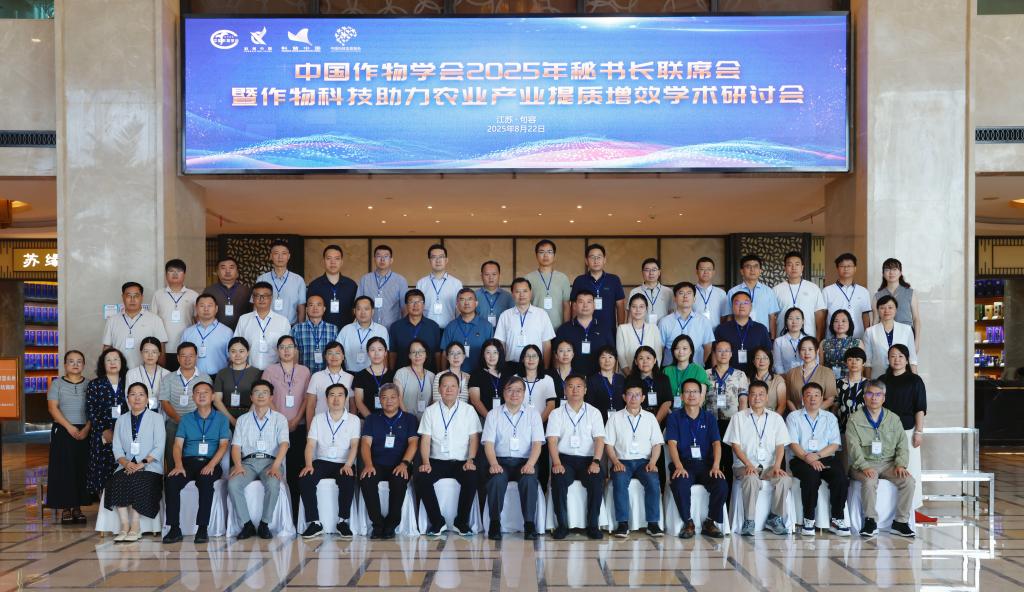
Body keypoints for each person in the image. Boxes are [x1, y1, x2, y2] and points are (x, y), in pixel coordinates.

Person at [845, 380, 916, 538]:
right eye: (870, 394)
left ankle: (901, 522)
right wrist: (864, 466)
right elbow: (853, 447)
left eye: (878, 394)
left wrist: (901, 464)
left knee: (909, 481)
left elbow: (902, 445)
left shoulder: (893, 419)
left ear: (884, 398)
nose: (874, 398)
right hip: (863, 464)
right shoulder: (855, 419)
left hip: (889, 464)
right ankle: (870, 521)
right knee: (870, 480)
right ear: (864, 396)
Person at [162, 381, 231, 544]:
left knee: (206, 481)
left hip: (210, 462)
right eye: (198, 392)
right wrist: (178, 465)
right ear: (193, 397)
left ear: (212, 396)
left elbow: (223, 445)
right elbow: (177, 445)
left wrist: (211, 465)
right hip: (187, 463)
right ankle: (174, 528)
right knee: (171, 481)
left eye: (205, 392)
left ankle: (202, 528)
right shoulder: (186, 419)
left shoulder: (221, 419)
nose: (201, 395)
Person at [415, 372, 483, 536]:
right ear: (439, 389)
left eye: (453, 386)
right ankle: (437, 522)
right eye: (445, 386)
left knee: (472, 477)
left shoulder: (468, 410)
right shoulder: (430, 411)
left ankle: (461, 522)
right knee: (421, 477)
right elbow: (425, 440)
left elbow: (474, 438)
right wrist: (425, 462)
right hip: (436, 461)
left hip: (462, 461)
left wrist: (471, 459)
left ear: (459, 389)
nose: (449, 389)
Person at [723, 380, 791, 536]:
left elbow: (780, 446)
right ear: (748, 397)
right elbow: (735, 445)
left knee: (784, 479)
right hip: (743, 466)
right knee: (751, 478)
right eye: (753, 394)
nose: (757, 398)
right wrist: (748, 464)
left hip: (769, 467)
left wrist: (777, 466)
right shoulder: (738, 417)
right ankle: (749, 520)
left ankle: (774, 518)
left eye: (761, 394)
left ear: (767, 397)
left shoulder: (776, 418)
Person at [482, 377, 544, 540]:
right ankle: (495, 523)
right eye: (510, 390)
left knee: (529, 480)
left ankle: (529, 524)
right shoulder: (493, 414)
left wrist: (530, 464)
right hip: (500, 461)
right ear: (504, 393)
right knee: (496, 479)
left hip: (525, 461)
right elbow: (488, 444)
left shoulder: (533, 414)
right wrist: (493, 463)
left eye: (518, 390)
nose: (514, 394)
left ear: (524, 393)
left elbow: (537, 443)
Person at [664, 378, 727, 539]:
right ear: (681, 396)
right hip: (684, 464)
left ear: (701, 395)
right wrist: (678, 466)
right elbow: (672, 444)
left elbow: (716, 444)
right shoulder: (674, 417)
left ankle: (710, 522)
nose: (691, 395)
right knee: (680, 483)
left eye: (695, 392)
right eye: (687, 392)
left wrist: (716, 466)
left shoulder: (709, 417)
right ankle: (688, 523)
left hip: (706, 465)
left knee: (721, 484)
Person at [228, 380, 290, 540]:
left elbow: (284, 445)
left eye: (265, 392)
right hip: (247, 463)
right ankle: (247, 525)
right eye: (257, 392)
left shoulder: (280, 419)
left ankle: (264, 524)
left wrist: (276, 466)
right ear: (251, 397)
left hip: (271, 462)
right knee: (233, 484)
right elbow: (236, 447)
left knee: (273, 483)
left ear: (271, 397)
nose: (261, 395)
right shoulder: (243, 420)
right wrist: (238, 465)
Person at [261, 335, 313, 526]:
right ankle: (279, 518)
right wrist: (282, 420)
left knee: (296, 470)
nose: (286, 350)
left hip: (298, 425)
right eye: (282, 347)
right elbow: (266, 396)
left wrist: (297, 419)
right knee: (278, 469)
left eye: (290, 347)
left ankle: (297, 515)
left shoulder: (304, 371)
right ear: (277, 350)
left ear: (296, 350)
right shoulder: (270, 370)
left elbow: (307, 398)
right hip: (276, 427)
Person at [298, 383, 361, 539]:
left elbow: (355, 445)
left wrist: (348, 464)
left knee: (347, 479)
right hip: (322, 461)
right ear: (326, 399)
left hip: (344, 462)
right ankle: (315, 522)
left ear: (346, 399)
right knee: (305, 478)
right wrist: (308, 464)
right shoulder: (318, 419)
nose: (336, 399)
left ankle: (342, 521)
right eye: (332, 395)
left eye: (340, 395)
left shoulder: (354, 420)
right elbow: (310, 445)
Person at [786, 382, 849, 537]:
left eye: (816, 395)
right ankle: (809, 519)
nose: (812, 398)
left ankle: (837, 519)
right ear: (802, 398)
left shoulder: (830, 417)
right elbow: (793, 443)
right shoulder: (794, 417)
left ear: (822, 398)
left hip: (824, 457)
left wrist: (818, 456)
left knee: (840, 477)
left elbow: (834, 444)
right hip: (801, 458)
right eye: (808, 395)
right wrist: (808, 458)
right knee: (811, 476)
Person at [547, 374, 605, 540]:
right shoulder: (556, 413)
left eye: (579, 386)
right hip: (565, 460)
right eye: (570, 386)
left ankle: (592, 525)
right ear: (565, 390)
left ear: (585, 390)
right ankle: (562, 525)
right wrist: (556, 463)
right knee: (558, 479)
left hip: (588, 460)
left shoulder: (594, 412)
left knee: (596, 480)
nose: (575, 390)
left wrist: (596, 462)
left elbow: (599, 439)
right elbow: (552, 440)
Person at [359, 383, 420, 539]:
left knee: (399, 481)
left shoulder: (409, 419)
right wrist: (368, 465)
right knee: (367, 479)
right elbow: (365, 444)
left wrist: (404, 464)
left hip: (400, 463)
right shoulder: (372, 419)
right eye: (385, 398)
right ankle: (377, 524)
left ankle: (392, 524)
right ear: (380, 400)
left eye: (393, 397)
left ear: (399, 398)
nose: (389, 401)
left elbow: (413, 443)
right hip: (376, 464)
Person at [106, 382, 165, 542]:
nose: (137, 398)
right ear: (127, 399)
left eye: (141, 394)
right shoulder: (121, 419)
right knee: (118, 480)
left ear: (147, 399)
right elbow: (116, 447)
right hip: (126, 465)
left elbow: (159, 446)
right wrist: (125, 463)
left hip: (150, 466)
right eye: (133, 394)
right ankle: (124, 526)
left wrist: (142, 463)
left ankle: (135, 526)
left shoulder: (157, 418)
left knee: (139, 480)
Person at [605, 385, 665, 538]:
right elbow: (608, 445)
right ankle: (623, 523)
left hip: (644, 462)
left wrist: (653, 462)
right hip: (622, 461)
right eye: (630, 394)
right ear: (624, 397)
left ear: (643, 398)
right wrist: (615, 462)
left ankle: (653, 524)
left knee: (653, 481)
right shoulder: (615, 418)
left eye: (637, 395)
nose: (633, 398)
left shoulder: (650, 418)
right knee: (619, 481)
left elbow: (657, 444)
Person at [879, 344, 928, 520]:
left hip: (908, 431)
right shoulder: (882, 380)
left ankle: (912, 509)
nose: (897, 359)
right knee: (890, 470)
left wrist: (919, 432)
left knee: (910, 469)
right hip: (885, 433)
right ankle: (890, 510)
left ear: (907, 360)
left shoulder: (915, 380)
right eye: (893, 356)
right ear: (888, 359)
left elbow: (920, 407)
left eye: (901, 356)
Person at [46, 350, 92, 524]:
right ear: (65, 365)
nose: (75, 364)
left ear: (84, 365)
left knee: (81, 468)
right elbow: (53, 408)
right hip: (63, 430)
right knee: (64, 470)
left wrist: (87, 428)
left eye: (79, 361)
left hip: (85, 431)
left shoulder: (90, 385)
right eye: (71, 361)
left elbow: (94, 409)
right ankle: (65, 508)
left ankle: (78, 508)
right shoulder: (57, 384)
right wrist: (69, 427)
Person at [158, 343, 212, 468]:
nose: (187, 359)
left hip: (199, 422)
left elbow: (208, 403)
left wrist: (193, 422)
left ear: (196, 357)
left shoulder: (205, 378)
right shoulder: (168, 378)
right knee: (171, 453)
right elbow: (164, 402)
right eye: (183, 356)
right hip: (174, 422)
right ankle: (172, 474)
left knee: (195, 457)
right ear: (178, 358)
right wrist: (180, 421)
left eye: (191, 356)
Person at [85, 349, 128, 500]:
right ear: (103, 364)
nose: (112, 363)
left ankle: (121, 505)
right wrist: (104, 430)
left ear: (122, 363)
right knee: (102, 470)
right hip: (102, 435)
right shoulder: (95, 384)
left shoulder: (128, 383)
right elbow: (91, 410)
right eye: (108, 360)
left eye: (116, 359)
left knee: (122, 468)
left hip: (125, 434)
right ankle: (104, 508)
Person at [102, 282, 168, 369]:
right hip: (119, 371)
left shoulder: (155, 320)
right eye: (128, 296)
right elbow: (107, 348)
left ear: (142, 297)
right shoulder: (112, 320)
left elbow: (161, 348)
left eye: (136, 296)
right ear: (123, 297)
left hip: (145, 372)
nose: (132, 299)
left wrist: (160, 372)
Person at [151, 260, 199, 372]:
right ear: (166, 274)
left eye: (179, 271)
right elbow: (152, 321)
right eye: (171, 271)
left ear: (184, 274)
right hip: (163, 348)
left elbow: (197, 321)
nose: (175, 274)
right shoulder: (158, 294)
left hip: (186, 348)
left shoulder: (193, 295)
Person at [495, 277, 555, 366]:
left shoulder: (542, 314)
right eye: (517, 291)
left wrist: (545, 368)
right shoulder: (505, 316)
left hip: (535, 366)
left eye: (525, 291)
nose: (521, 295)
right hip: (511, 365)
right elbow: (501, 344)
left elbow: (546, 345)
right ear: (512, 294)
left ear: (530, 292)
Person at [555, 289, 615, 377]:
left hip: (599, 379)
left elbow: (612, 355)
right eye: (581, 302)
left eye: (589, 302)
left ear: (594, 305)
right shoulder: (564, 329)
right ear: (574, 306)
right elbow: (556, 357)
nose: (585, 305)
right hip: (571, 379)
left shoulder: (604, 329)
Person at [232, 281, 291, 369]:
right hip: (249, 370)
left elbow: (289, 349)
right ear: (253, 298)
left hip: (275, 371)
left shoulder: (283, 321)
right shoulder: (243, 319)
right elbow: (236, 344)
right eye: (257, 296)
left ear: (271, 298)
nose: (261, 299)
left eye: (265, 296)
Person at [658, 281, 715, 365]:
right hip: (670, 369)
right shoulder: (664, 322)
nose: (685, 296)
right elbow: (660, 349)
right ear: (674, 298)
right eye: (681, 293)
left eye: (689, 293)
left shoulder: (703, 321)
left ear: (694, 299)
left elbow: (708, 347)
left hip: (695, 368)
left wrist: (699, 366)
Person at [714, 291, 772, 373]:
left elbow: (768, 354)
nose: (742, 306)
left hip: (755, 376)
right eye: (737, 303)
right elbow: (714, 354)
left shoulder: (761, 329)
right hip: (728, 376)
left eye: (746, 302)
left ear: (751, 307)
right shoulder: (721, 329)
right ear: (732, 307)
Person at [571, 243, 626, 331]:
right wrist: (574, 329)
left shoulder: (614, 280)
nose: (596, 261)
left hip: (608, 330)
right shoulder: (579, 280)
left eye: (599, 257)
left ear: (604, 260)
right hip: (584, 330)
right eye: (592, 257)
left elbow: (620, 306)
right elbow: (574, 306)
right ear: (586, 261)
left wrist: (621, 330)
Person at [773, 252, 827, 338]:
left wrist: (818, 339)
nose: (793, 267)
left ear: (802, 267)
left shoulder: (813, 288)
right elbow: (772, 317)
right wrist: (773, 339)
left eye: (797, 264)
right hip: (783, 339)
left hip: (808, 339)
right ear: (785, 268)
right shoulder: (776, 290)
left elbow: (819, 316)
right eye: (790, 265)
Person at [726, 254, 781, 336]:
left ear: (760, 270)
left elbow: (772, 317)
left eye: (755, 266)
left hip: (762, 335)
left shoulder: (769, 292)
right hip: (738, 334)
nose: (752, 270)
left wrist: (772, 339)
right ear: (742, 271)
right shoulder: (732, 292)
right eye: (748, 267)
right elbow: (729, 317)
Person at [213, 337, 263, 426]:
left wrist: (245, 420)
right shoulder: (222, 373)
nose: (237, 355)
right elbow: (217, 401)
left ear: (248, 352)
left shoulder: (257, 373)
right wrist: (232, 420)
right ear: (228, 353)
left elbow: (259, 399)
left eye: (241, 351)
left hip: (250, 416)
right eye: (233, 351)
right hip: (225, 416)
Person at [306, 244, 358, 329]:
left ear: (341, 262)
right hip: (322, 332)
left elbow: (356, 310)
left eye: (337, 259)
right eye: (329, 258)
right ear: (323, 261)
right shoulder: (314, 285)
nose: (333, 262)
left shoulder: (351, 285)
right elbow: (309, 311)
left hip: (346, 332)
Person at [441, 288, 493, 373]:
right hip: (456, 375)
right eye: (462, 300)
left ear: (476, 303)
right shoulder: (450, 326)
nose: (466, 303)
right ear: (457, 304)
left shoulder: (487, 326)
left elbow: (491, 351)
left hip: (480, 374)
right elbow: (444, 353)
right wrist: (444, 374)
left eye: (470, 299)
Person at [356, 244, 409, 328]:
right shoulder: (365, 279)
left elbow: (405, 309)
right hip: (368, 329)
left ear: (391, 260)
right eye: (379, 256)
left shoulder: (400, 281)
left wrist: (402, 329)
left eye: (386, 256)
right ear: (374, 259)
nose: (382, 259)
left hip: (392, 329)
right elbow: (357, 305)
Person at [180, 293, 234, 377]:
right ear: (196, 309)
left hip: (219, 377)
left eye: (209, 306)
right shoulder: (188, 332)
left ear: (216, 309)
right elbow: (182, 357)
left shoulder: (227, 332)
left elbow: (232, 358)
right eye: (202, 306)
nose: (206, 309)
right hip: (194, 378)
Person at [864, 296, 918, 376]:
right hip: (878, 376)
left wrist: (915, 379)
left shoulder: (907, 329)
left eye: (890, 307)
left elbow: (912, 359)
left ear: (896, 309)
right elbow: (868, 361)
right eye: (882, 308)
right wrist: (868, 380)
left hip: (902, 376)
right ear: (877, 310)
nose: (887, 311)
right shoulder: (870, 332)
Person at [335, 296, 390, 375]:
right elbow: (337, 352)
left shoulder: (381, 330)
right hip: (350, 374)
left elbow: (385, 356)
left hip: (373, 374)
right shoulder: (346, 330)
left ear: (372, 311)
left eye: (366, 309)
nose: (363, 312)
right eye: (359, 309)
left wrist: (384, 375)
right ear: (354, 311)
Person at [255, 239, 306, 325]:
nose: (280, 257)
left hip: (290, 326)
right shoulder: (262, 279)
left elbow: (301, 308)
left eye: (284, 253)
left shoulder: (298, 280)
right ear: (271, 256)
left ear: (288, 256)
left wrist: (300, 328)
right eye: (276, 253)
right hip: (266, 326)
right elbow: (256, 306)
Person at [875, 258, 921, 352]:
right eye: (887, 269)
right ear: (883, 273)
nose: (891, 272)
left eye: (894, 269)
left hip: (906, 335)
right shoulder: (877, 295)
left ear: (900, 273)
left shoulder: (910, 293)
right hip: (884, 335)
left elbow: (916, 318)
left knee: (906, 361)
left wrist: (916, 342)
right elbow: (875, 320)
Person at [822, 253, 872, 340]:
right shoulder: (827, 291)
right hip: (833, 339)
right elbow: (823, 317)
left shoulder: (863, 291)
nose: (846, 269)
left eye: (849, 266)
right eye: (842, 266)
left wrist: (867, 337)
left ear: (855, 268)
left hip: (858, 338)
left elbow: (865, 316)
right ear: (837, 268)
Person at [524, 239, 572, 328]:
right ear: (536, 255)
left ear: (554, 255)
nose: (545, 255)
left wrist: (566, 328)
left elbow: (566, 305)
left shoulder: (563, 278)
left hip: (558, 328)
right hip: (535, 327)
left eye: (549, 252)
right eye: (541, 252)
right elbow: (524, 305)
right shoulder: (528, 279)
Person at [390, 289, 442, 371]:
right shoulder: (395, 327)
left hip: (429, 374)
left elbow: (437, 353)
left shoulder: (433, 326)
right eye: (411, 302)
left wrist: (439, 372)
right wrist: (391, 372)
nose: (416, 305)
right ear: (406, 305)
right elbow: (393, 353)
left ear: (423, 305)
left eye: (419, 302)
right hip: (402, 373)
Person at [415, 243, 463, 330]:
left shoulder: (456, 283)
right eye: (434, 257)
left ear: (446, 260)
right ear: (429, 260)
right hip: (426, 329)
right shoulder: (421, 283)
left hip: (450, 329)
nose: (438, 260)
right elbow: (417, 308)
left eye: (441, 257)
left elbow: (460, 309)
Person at [784, 337, 838, 412]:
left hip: (820, 415)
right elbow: (788, 399)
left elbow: (830, 399)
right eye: (803, 349)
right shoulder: (791, 372)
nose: (807, 353)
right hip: (797, 415)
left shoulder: (827, 372)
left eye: (810, 349)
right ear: (799, 352)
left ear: (817, 351)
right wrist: (798, 414)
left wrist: (812, 412)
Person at [305, 341, 354, 419]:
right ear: (325, 356)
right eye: (330, 353)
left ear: (343, 357)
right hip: (320, 423)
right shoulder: (316, 377)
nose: (334, 356)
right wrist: (310, 426)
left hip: (344, 424)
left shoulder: (350, 378)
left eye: (337, 353)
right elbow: (310, 406)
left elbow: (352, 406)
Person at [291, 294, 339, 374]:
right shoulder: (297, 329)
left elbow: (337, 353)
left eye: (319, 305)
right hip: (303, 375)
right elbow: (293, 354)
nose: (315, 308)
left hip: (327, 375)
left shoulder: (333, 329)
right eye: (311, 305)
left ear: (324, 309)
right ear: (306, 309)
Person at [625, 346, 673, 424]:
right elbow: (628, 401)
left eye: (648, 358)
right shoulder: (630, 379)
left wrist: (656, 422)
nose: (645, 361)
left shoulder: (663, 378)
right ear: (636, 362)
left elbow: (667, 402)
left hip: (661, 421)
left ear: (654, 360)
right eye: (641, 358)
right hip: (637, 421)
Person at [617, 294, 664, 372]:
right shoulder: (622, 329)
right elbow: (621, 357)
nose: (638, 310)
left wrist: (653, 375)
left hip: (651, 375)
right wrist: (630, 376)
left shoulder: (654, 328)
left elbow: (658, 355)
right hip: (629, 375)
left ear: (646, 309)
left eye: (641, 307)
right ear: (629, 308)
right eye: (634, 307)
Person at [352, 337, 397, 418]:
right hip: (367, 419)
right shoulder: (360, 375)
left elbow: (396, 400)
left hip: (389, 420)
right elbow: (359, 402)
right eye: (372, 350)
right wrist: (372, 421)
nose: (376, 353)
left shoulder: (393, 375)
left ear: (385, 353)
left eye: (380, 350)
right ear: (368, 353)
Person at [468, 339, 512, 419]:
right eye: (488, 352)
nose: (492, 356)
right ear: (483, 354)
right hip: (484, 418)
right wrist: (490, 418)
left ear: (500, 354)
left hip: (506, 418)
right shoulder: (476, 374)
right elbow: (475, 401)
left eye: (495, 352)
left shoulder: (507, 372)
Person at [204, 256, 250, 330]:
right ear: (217, 272)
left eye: (231, 267)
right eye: (223, 268)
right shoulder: (209, 291)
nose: (227, 271)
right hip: (215, 331)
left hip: (241, 331)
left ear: (237, 272)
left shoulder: (246, 291)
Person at [663, 335, 711, 404]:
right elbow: (663, 398)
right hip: (670, 410)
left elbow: (701, 399)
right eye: (677, 348)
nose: (681, 351)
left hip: (693, 410)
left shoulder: (699, 370)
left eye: (684, 348)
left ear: (691, 351)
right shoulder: (667, 371)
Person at [125, 337, 169, 412]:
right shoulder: (131, 374)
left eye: (154, 352)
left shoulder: (167, 374)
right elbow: (129, 398)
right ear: (141, 352)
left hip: (162, 416)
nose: (150, 355)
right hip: (139, 415)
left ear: (159, 353)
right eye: (146, 351)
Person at [394, 340, 435, 417]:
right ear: (409, 355)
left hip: (427, 419)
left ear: (426, 354)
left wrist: (427, 418)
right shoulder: (401, 373)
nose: (417, 355)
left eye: (421, 351)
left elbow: (434, 401)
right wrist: (409, 419)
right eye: (413, 352)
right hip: (406, 418)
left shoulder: (432, 376)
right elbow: (398, 398)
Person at [820, 310, 864, 380]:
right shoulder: (824, 343)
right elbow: (821, 366)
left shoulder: (857, 343)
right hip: (828, 381)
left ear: (849, 323)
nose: (840, 324)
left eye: (843, 321)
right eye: (836, 321)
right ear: (832, 324)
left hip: (850, 382)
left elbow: (861, 368)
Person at [517, 345, 557, 421]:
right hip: (518, 423)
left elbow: (551, 405)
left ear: (539, 359)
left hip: (541, 423)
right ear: (522, 359)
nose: (531, 359)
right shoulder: (515, 379)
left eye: (534, 356)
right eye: (527, 356)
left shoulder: (547, 379)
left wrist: (538, 424)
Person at [628, 258, 674, 324]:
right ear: (642, 272)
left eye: (654, 270)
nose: (651, 273)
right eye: (647, 270)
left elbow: (672, 313)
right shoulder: (634, 291)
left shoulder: (668, 291)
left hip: (663, 329)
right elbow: (630, 315)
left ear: (659, 272)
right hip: (641, 329)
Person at [835, 347, 869, 436]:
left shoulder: (869, 384)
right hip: (842, 427)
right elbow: (835, 406)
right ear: (846, 362)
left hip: (864, 428)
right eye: (850, 359)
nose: (854, 362)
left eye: (858, 359)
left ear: (863, 363)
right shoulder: (838, 383)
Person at [587, 346, 625, 422]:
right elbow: (589, 404)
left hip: (620, 420)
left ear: (615, 360)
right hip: (598, 420)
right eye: (603, 357)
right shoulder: (592, 380)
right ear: (598, 360)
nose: (607, 361)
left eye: (610, 357)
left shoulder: (621, 379)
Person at [747, 346, 788, 415]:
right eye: (758, 358)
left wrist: (773, 420)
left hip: (772, 417)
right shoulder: (747, 380)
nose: (762, 361)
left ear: (770, 361)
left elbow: (782, 406)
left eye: (765, 358)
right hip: (751, 417)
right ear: (753, 361)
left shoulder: (778, 380)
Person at [693, 257, 728, 329]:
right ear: (696, 271)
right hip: (694, 332)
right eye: (702, 269)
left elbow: (724, 317)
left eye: (709, 269)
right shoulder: (690, 292)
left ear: (713, 272)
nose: (706, 272)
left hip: (716, 333)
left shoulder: (721, 293)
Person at [476, 260, 514, 327]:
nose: (491, 277)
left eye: (494, 274)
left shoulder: (508, 297)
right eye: (487, 274)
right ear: (481, 276)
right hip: (479, 332)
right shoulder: (474, 296)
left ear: (499, 275)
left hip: (503, 333)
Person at [772, 307, 807, 375]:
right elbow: (777, 365)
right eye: (790, 318)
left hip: (807, 378)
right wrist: (785, 378)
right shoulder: (778, 342)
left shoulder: (809, 340)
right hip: (785, 378)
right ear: (786, 322)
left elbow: (815, 362)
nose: (794, 322)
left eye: (797, 318)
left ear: (803, 321)